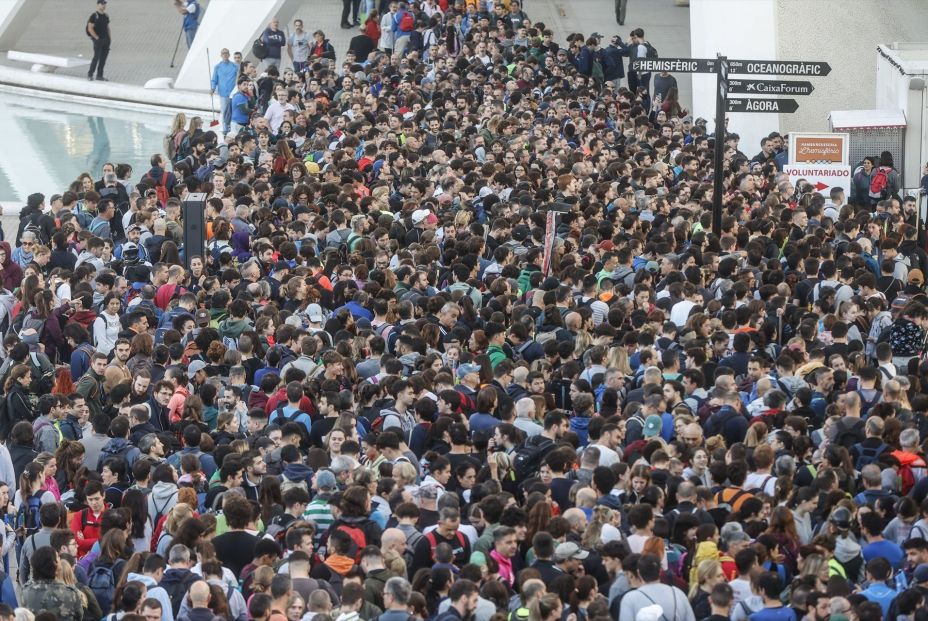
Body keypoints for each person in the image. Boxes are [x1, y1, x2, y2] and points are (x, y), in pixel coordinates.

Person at [210, 48, 238, 135]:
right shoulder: (217, 67)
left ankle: (232, 127)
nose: (225, 55)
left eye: (226, 53)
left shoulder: (234, 66)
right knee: (225, 110)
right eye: (223, 53)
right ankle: (225, 128)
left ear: (229, 55)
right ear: (221, 55)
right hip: (223, 93)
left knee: (233, 110)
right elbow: (214, 79)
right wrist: (213, 88)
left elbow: (238, 78)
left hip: (233, 92)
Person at [86, 0, 111, 81]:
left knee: (103, 59)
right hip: (98, 41)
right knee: (96, 57)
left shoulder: (106, 16)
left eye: (104, 4)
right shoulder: (94, 16)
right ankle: (90, 75)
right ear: (98, 5)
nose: (104, 5)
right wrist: (96, 38)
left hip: (106, 40)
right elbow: (90, 28)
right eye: (102, 4)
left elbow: (107, 28)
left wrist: (109, 38)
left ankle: (99, 76)